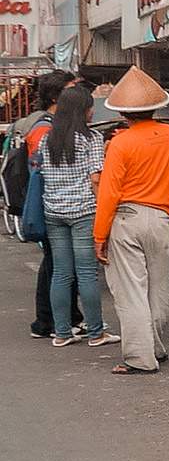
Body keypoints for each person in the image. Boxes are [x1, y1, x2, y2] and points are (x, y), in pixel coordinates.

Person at [93, 66, 169, 375]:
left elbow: (109, 193)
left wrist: (99, 235)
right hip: (161, 218)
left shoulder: (119, 143)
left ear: (123, 113)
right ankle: (156, 346)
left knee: (131, 290)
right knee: (159, 286)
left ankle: (139, 357)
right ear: (155, 107)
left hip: (127, 220)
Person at [37, 85, 120, 348]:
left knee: (61, 273)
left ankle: (62, 332)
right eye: (90, 106)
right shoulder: (91, 139)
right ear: (81, 110)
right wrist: (104, 211)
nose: (93, 111)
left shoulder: (46, 139)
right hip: (84, 211)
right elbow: (96, 178)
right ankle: (95, 333)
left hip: (53, 212)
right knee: (86, 274)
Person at [24, 70, 86, 338]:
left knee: (58, 265)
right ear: (55, 96)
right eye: (71, 89)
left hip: (57, 206)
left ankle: (64, 317)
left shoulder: (51, 128)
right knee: (56, 267)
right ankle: (48, 320)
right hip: (54, 207)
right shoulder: (44, 131)